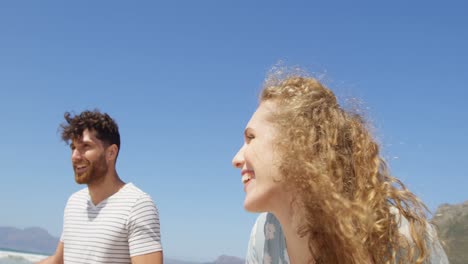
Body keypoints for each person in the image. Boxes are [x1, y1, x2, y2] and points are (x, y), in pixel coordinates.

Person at [232, 72, 449, 263]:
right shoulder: (264, 237)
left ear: (298, 144)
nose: (236, 159)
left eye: (251, 137)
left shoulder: (399, 237)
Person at [38, 110, 163, 264]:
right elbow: (58, 261)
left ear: (111, 152)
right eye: (73, 148)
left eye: (85, 146)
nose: (75, 156)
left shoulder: (137, 205)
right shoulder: (74, 202)